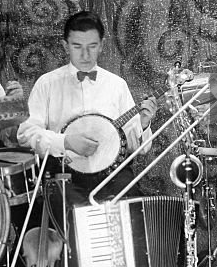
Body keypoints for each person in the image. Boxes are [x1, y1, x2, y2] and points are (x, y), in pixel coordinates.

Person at [16, 11, 157, 206]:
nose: (85, 55)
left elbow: (138, 149)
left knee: (131, 207)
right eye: (77, 46)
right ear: (65, 46)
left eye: (92, 46)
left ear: (101, 45)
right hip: (64, 175)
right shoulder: (47, 84)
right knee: (72, 212)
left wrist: (143, 123)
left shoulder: (117, 85)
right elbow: (26, 134)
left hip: (112, 175)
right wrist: (65, 141)